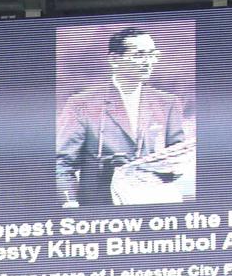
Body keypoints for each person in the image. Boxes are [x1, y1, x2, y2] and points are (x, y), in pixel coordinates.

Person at [55, 26, 187, 208]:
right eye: (140, 55)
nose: (148, 62)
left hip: (155, 206)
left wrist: (156, 168)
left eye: (152, 54)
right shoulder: (81, 104)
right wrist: (68, 202)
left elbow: (178, 161)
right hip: (99, 209)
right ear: (115, 59)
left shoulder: (168, 103)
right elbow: (63, 164)